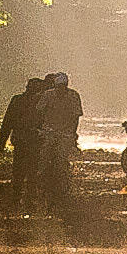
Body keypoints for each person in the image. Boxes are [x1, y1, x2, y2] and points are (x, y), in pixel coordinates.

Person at [0, 77, 47, 211]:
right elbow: (8, 121)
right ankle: (28, 200)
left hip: (22, 140)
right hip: (31, 141)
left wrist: (3, 142)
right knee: (30, 171)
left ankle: (18, 199)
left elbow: (7, 122)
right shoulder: (39, 102)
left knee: (19, 171)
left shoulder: (18, 100)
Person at [37, 72, 82, 212]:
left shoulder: (73, 96)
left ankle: (64, 190)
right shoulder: (48, 95)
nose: (60, 89)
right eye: (58, 86)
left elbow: (75, 117)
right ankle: (40, 190)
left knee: (62, 162)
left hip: (65, 133)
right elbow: (39, 113)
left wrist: (72, 134)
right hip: (49, 131)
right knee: (43, 164)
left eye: (62, 86)